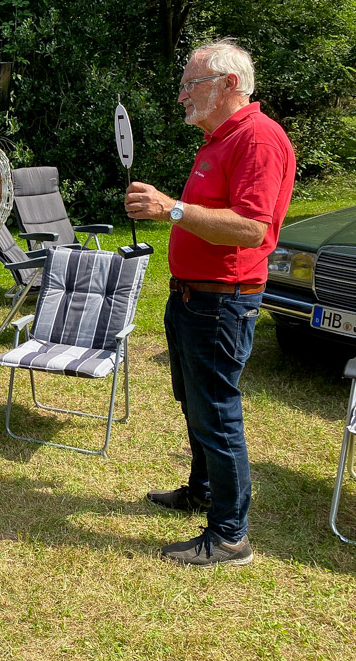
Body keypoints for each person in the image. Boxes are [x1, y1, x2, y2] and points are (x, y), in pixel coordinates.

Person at [124, 39, 295, 567]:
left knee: (217, 413)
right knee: (195, 403)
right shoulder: (220, 139)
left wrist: (171, 209)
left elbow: (251, 227)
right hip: (193, 298)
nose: (182, 96)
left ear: (228, 85)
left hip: (222, 302)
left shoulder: (257, 138)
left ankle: (229, 536)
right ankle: (202, 490)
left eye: (190, 85)